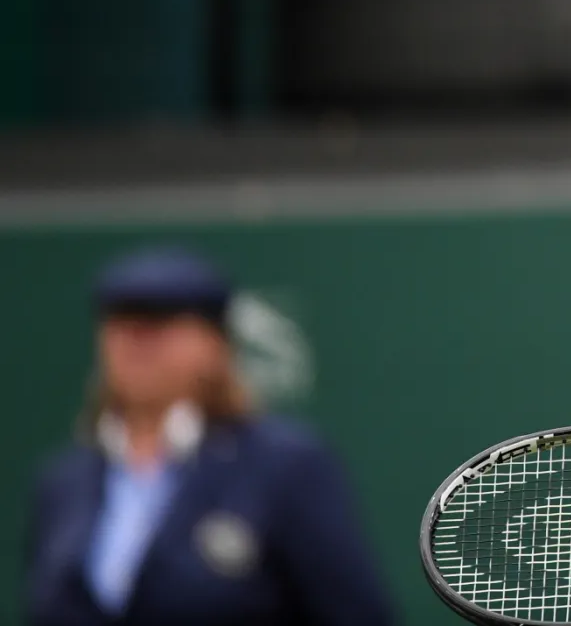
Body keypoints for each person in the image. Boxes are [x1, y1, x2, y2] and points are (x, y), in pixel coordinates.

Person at [24, 247, 395, 626]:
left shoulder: (287, 466)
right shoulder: (62, 482)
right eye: (122, 324)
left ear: (215, 343)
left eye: (160, 323)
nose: (138, 342)